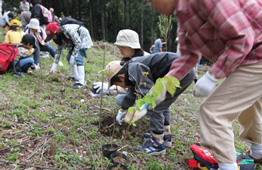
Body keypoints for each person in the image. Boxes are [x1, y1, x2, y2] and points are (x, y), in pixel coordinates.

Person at [150, 0, 262, 169]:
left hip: (256, 53)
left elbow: (243, 38)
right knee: (250, 102)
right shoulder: (184, 17)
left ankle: (227, 167)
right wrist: (163, 85)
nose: (153, 6)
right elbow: (188, 57)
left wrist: (213, 76)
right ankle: (259, 153)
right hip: (248, 57)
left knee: (214, 112)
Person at [104, 52, 195, 155]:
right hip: (186, 69)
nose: (122, 87)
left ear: (121, 76)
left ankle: (157, 143)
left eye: (118, 84)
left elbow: (148, 96)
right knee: (163, 104)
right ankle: (166, 135)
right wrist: (122, 110)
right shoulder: (131, 68)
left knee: (154, 105)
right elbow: (133, 93)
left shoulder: (134, 68)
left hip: (180, 70)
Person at [91, 29, 150, 98]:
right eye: (119, 47)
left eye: (123, 47)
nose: (120, 49)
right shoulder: (128, 59)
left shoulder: (144, 61)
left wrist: (112, 89)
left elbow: (141, 87)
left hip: (149, 95)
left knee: (120, 99)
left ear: (133, 47)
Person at [46, 22, 93, 89]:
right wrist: (54, 64)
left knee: (77, 56)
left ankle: (81, 82)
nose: (53, 38)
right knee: (69, 57)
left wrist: (73, 55)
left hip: (82, 38)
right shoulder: (60, 37)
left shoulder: (68, 30)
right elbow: (58, 50)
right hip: (75, 42)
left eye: (52, 36)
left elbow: (78, 43)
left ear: (57, 32)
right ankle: (76, 77)